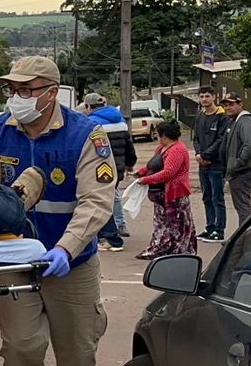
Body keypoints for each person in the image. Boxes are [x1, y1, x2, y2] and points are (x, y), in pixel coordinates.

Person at [0, 56, 114, 366]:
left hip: (71, 262)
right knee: (20, 347)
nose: (17, 97)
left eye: (27, 90)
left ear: (52, 93)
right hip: (18, 259)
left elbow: (97, 201)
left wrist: (67, 248)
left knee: (77, 351)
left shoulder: (87, 136)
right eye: (12, 90)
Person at [131, 120, 196, 260]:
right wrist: (142, 172)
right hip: (160, 194)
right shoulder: (162, 148)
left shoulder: (177, 149)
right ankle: (161, 248)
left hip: (174, 193)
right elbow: (153, 166)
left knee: (176, 224)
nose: (157, 137)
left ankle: (178, 251)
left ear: (164, 136)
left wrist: (146, 180)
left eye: (158, 134)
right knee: (162, 224)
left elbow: (168, 172)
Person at [82, 93, 136, 252]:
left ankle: (113, 239)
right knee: (107, 200)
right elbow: (129, 147)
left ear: (88, 107)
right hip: (117, 169)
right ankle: (104, 236)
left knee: (99, 203)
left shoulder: (90, 123)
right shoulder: (120, 121)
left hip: (99, 170)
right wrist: (129, 164)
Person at [192, 89, 230, 242]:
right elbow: (196, 138)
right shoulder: (200, 117)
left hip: (216, 164)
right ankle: (210, 227)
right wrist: (199, 154)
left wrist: (206, 155)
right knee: (206, 197)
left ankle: (219, 230)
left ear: (214, 97)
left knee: (217, 197)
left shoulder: (222, 117)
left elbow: (221, 140)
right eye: (201, 96)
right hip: (202, 165)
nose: (204, 99)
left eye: (207, 96)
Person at [222, 93, 251, 226]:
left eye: (232, 104)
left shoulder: (245, 121)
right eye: (226, 105)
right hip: (238, 171)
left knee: (243, 207)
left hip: (243, 171)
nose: (228, 108)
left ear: (240, 105)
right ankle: (243, 237)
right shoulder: (235, 121)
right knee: (242, 207)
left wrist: (237, 164)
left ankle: (244, 239)